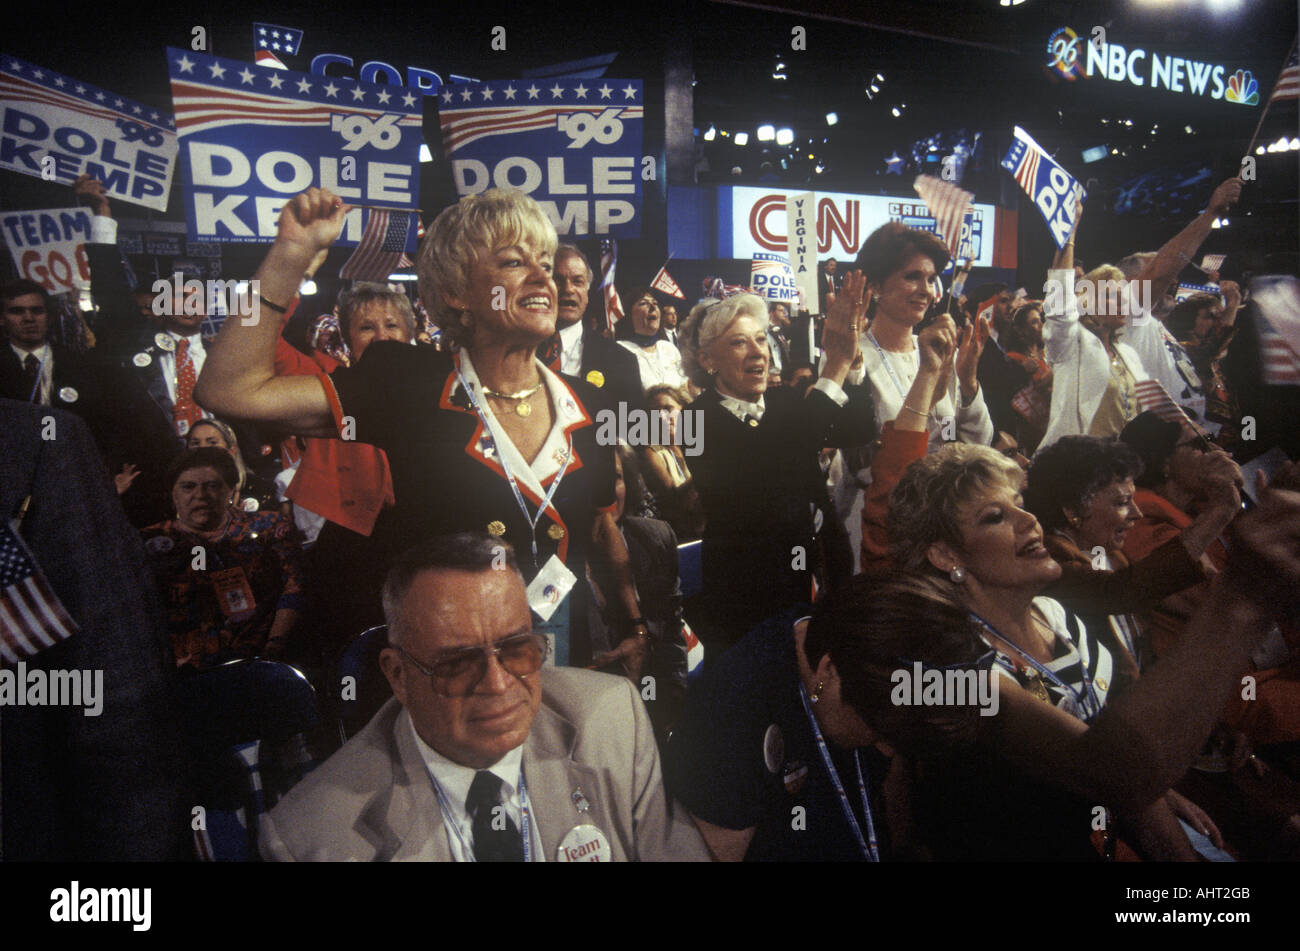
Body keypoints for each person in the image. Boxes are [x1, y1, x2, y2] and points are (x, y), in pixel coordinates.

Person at [195, 187, 653, 676]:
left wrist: (634, 626)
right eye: (514, 263)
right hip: (450, 674)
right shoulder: (405, 381)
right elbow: (229, 390)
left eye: (545, 261)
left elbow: (603, 529)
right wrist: (290, 255)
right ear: (456, 292)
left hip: (567, 662)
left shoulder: (593, 402)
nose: (544, 277)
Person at [882, 441, 1282, 859]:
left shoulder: (1056, 616)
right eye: (995, 517)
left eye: (1019, 502)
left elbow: (1126, 762)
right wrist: (1245, 598)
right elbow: (1113, 773)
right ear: (946, 554)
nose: (1028, 521)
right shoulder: (948, 671)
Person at [259, 534, 710, 862]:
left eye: (516, 649)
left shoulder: (611, 717)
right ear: (398, 675)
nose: (496, 684)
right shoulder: (311, 838)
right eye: (457, 664)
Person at [680, 284, 874, 649]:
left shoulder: (785, 399)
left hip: (822, 578)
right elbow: (775, 463)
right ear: (708, 359)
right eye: (739, 342)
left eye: (761, 339)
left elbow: (859, 429)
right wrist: (834, 365)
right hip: (749, 601)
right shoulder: (696, 421)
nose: (758, 352)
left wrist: (853, 362)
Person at [1022, 436, 1222, 676]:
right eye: (1122, 502)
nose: (1136, 514)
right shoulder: (1048, 562)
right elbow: (1119, 592)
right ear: (1073, 510)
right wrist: (1220, 512)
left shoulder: (1114, 556)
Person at [0, 278, 175, 526]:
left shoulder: (85, 367)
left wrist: (109, 476)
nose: (28, 318)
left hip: (79, 485)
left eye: (36, 310)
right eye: (17, 311)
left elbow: (111, 429)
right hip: (16, 488)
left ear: (49, 317)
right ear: (2, 318)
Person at [142, 447, 306, 668]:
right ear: (173, 493)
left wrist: (274, 648)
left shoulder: (269, 527)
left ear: (230, 490)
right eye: (188, 487)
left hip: (264, 659)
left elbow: (295, 586)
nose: (200, 495)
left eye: (212, 486)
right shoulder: (150, 543)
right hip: (182, 671)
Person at [1113, 177, 1243, 426]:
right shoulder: (1129, 314)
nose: (1174, 280)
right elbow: (1160, 272)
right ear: (1130, 282)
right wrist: (1210, 214)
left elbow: (1211, 349)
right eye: (1167, 276)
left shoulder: (1156, 326)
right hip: (1159, 446)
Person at [1039, 200, 1150, 448]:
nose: (1122, 301)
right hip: (1080, 469)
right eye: (1111, 296)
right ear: (1086, 303)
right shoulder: (1071, 344)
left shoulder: (1129, 354)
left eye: (1122, 295)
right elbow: (1058, 305)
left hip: (1125, 468)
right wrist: (1070, 232)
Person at [536, 245, 642, 410]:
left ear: (587, 292)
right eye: (557, 280)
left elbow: (632, 431)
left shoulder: (621, 361)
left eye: (577, 281)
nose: (568, 289)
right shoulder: (512, 352)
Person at [637, 384, 704, 540]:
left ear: (683, 409)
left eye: (668, 409)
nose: (662, 416)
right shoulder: (651, 452)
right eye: (655, 412)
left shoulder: (697, 442)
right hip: (682, 530)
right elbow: (676, 500)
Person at [186, 417, 278, 513]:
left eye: (212, 442)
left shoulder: (258, 489)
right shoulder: (179, 492)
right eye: (195, 443)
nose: (203, 448)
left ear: (232, 449)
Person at [1002, 301, 1052, 452]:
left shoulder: (1047, 353)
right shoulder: (1013, 359)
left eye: (1040, 320)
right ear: (1020, 330)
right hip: (1031, 434)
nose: (1041, 325)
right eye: (1034, 322)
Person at [618, 287, 688, 390]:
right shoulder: (621, 350)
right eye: (643, 303)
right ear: (629, 314)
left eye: (655, 303)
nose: (653, 307)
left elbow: (684, 388)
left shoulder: (669, 348)